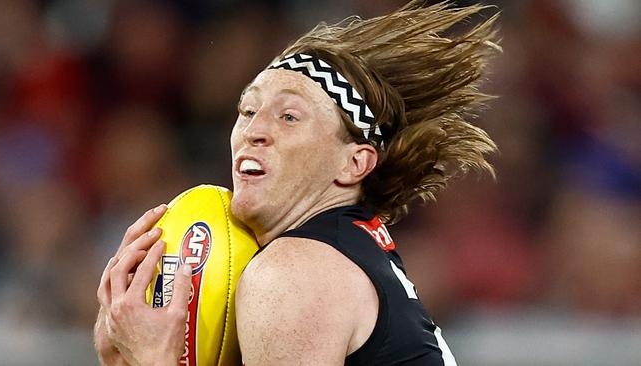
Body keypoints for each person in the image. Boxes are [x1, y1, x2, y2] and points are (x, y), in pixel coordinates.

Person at [94, 1, 500, 365]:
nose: (254, 130)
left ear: (354, 163)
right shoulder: (345, 252)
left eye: (289, 116)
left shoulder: (292, 272)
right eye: (248, 109)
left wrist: (154, 359)